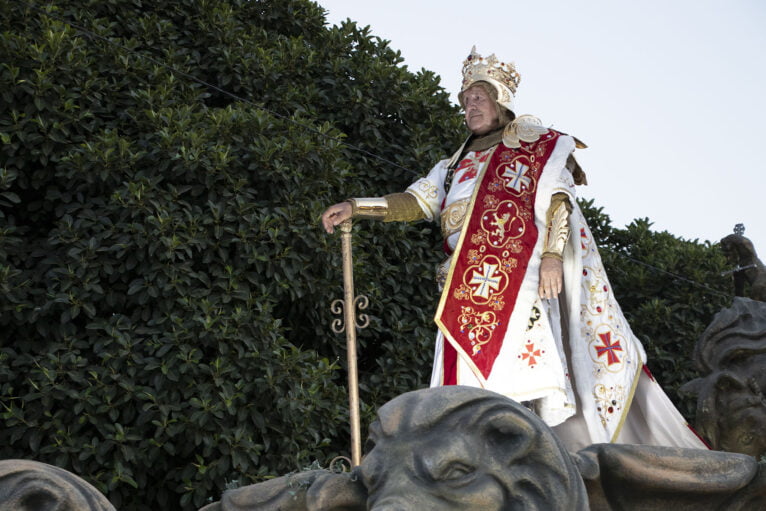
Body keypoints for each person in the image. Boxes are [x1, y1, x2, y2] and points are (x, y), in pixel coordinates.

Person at [322, 47, 706, 451]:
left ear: (500, 101)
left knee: (520, 380)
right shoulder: (452, 167)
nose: (470, 106)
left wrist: (553, 257)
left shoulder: (531, 149)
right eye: (465, 100)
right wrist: (355, 207)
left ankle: (528, 453)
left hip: (519, 280)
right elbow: (415, 202)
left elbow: (559, 201)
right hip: (461, 286)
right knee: (460, 392)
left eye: (479, 98)